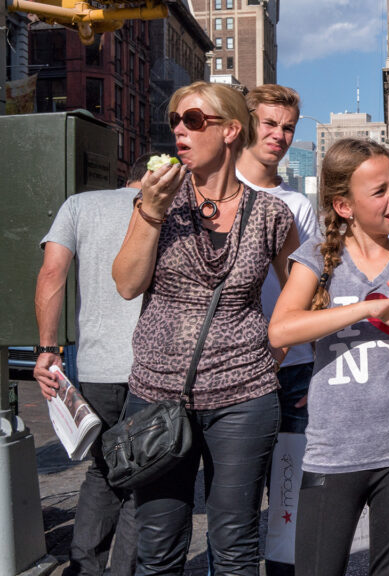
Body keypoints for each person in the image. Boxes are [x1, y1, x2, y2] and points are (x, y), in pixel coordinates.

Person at [112, 81, 298, 575]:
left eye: (193, 121)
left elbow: (305, 294)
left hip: (244, 396)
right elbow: (127, 285)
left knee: (235, 543)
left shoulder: (272, 215)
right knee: (159, 545)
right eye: (175, 120)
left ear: (231, 130)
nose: (178, 130)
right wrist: (150, 211)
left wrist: (272, 351)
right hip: (157, 393)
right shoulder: (157, 202)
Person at [268, 138, 389, 575]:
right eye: (380, 191)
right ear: (344, 205)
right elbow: (281, 330)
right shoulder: (317, 258)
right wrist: (368, 307)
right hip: (333, 450)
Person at [33, 154, 156, 576]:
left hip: (97, 366)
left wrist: (47, 348)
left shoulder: (79, 205)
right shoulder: (174, 206)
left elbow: (52, 275)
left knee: (103, 472)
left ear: (128, 176)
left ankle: (83, 568)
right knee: (144, 478)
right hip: (155, 369)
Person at [235, 84, 317, 576]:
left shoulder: (297, 206)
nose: (280, 136)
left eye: (288, 128)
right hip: (235, 371)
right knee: (235, 499)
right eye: (269, 124)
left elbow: (308, 289)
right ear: (245, 124)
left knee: (289, 498)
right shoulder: (211, 193)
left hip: (293, 370)